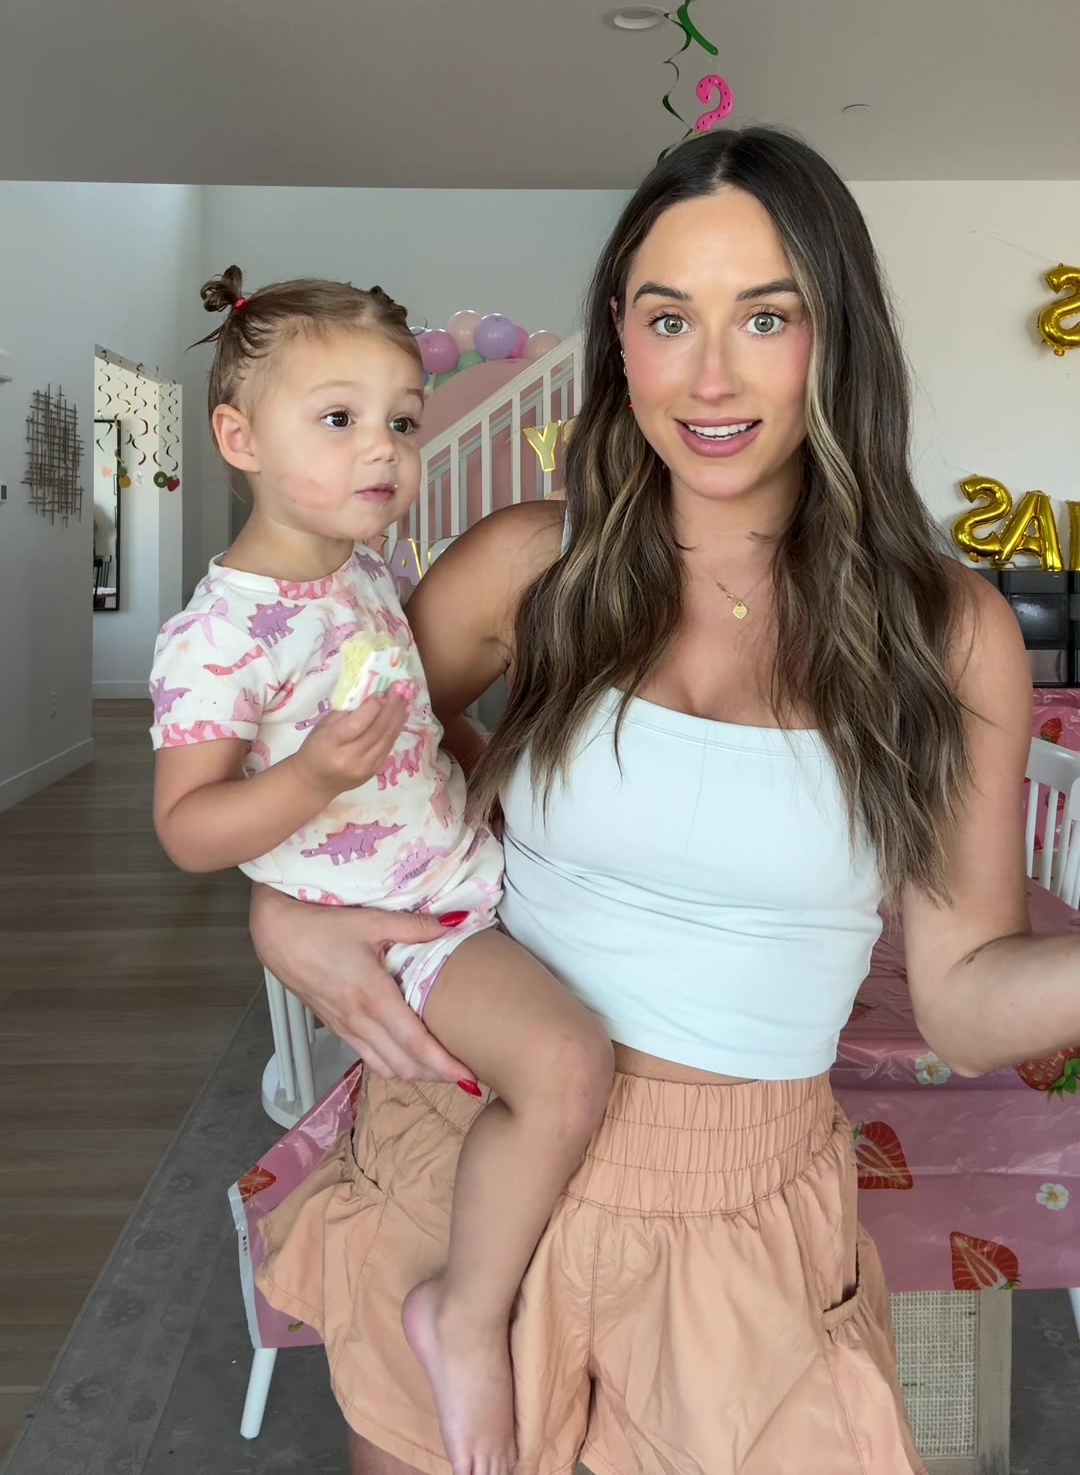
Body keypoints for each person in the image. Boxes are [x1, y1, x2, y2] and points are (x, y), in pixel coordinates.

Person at [251, 127, 1080, 1475]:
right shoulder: (531, 568)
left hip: (741, 1208)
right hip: (471, 1152)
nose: (710, 377)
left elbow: (967, 997)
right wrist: (284, 914)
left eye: (767, 317)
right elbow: (315, 769)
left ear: (836, 339)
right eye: (668, 318)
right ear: (619, 341)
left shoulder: (943, 631)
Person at [148, 267, 615, 1475]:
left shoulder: (364, 574)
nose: (385, 450)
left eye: (402, 422)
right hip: (411, 929)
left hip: (464, 878)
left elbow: (420, 721)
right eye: (340, 418)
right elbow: (188, 830)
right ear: (241, 440)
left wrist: (482, 769)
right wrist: (308, 778)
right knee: (567, 1066)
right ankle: (462, 1318)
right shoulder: (218, 637)